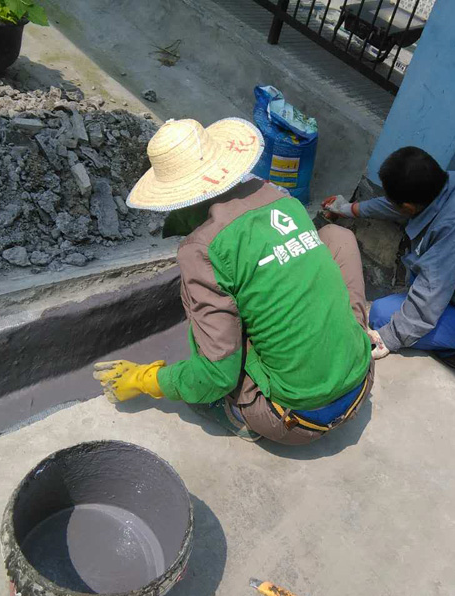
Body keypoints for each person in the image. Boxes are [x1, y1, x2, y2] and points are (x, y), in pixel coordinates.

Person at [93, 118, 373, 444]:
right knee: (335, 236)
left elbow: (215, 376)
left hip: (294, 418)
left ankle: (238, 416)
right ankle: (355, 338)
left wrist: (147, 380)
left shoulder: (201, 249)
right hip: (361, 378)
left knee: (213, 359)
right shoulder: (285, 201)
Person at [324, 147, 455, 369]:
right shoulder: (450, 183)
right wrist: (348, 209)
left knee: (382, 314)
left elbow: (428, 298)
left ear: (408, 206)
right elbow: (395, 206)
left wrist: (387, 339)